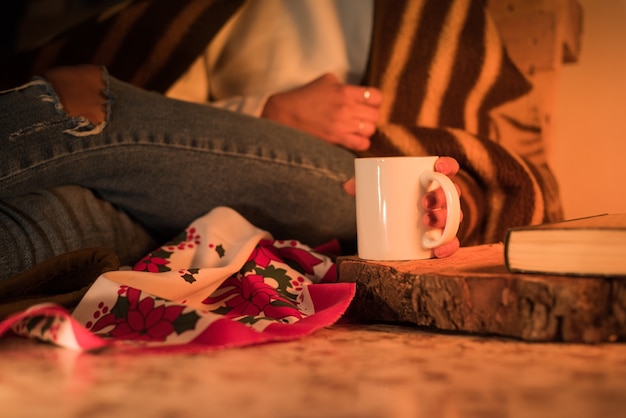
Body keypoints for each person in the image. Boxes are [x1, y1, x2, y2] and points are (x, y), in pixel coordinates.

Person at [0, 64, 461, 281]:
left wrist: (456, 203)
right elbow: (161, 98)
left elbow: (491, 156)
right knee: (50, 215)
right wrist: (265, 109)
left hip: (349, 180)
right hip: (164, 166)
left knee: (80, 107)